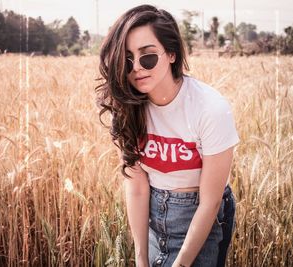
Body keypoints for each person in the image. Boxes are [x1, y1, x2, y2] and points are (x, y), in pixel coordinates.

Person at [95, 4, 240, 267]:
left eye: (147, 56)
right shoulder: (127, 108)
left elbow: (210, 201)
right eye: (127, 59)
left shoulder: (209, 108)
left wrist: (182, 263)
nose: (137, 67)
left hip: (200, 216)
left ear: (171, 53)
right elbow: (137, 186)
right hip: (151, 211)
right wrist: (140, 257)